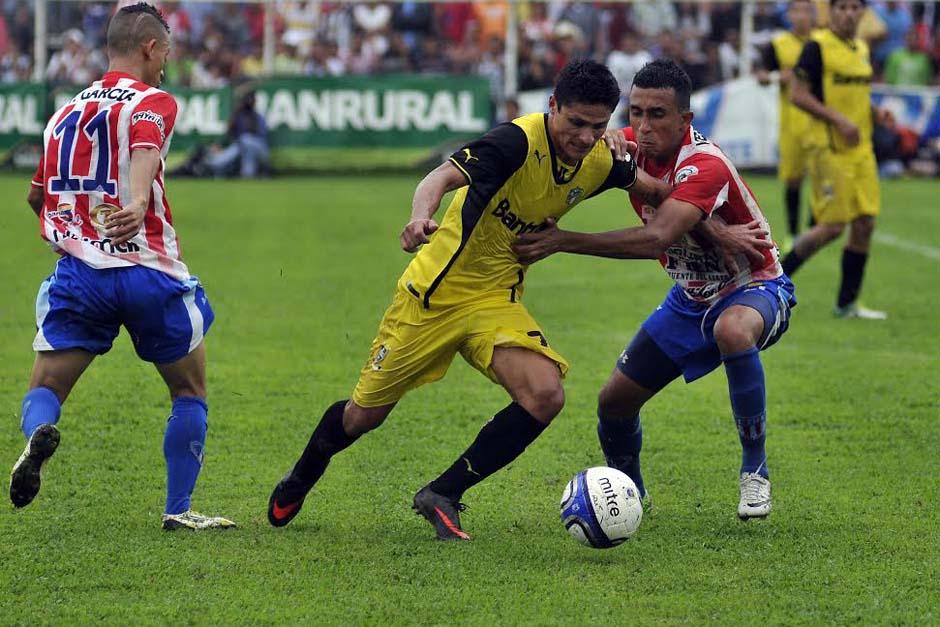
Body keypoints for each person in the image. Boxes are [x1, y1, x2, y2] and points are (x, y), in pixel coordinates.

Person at [266, 60, 681, 541]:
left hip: (494, 299)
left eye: (598, 126)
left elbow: (664, 195)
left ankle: (443, 492)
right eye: (575, 123)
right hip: (434, 295)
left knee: (545, 394)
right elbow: (438, 179)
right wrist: (421, 218)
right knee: (363, 417)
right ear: (552, 107)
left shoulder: (602, 159)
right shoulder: (517, 142)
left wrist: (702, 200)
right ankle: (301, 476)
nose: (586, 137)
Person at [514, 59, 796, 520]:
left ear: (686, 120)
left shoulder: (705, 165)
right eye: (636, 112)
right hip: (690, 298)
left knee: (732, 330)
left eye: (657, 115)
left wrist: (561, 240)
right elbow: (574, 153)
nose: (643, 127)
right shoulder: (623, 145)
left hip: (754, 286)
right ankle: (630, 500)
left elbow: (656, 238)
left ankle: (755, 472)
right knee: (614, 402)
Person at [10, 3, 234, 531]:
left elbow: (35, 195)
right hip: (147, 270)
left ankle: (35, 438)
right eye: (165, 55)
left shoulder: (64, 112)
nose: (165, 66)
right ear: (151, 48)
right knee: (188, 391)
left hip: (80, 274)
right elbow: (145, 144)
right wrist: (135, 204)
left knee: (45, 387)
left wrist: (65, 230)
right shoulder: (153, 99)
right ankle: (178, 510)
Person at [781, 0, 888, 319]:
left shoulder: (861, 48)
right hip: (829, 149)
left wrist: (874, 113)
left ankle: (846, 303)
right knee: (831, 227)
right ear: (832, 12)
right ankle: (770, 282)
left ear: (863, 13)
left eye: (855, 8)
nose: (848, 13)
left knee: (866, 223)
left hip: (862, 149)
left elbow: (858, 97)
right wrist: (839, 120)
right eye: (841, 7)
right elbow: (798, 95)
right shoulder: (817, 47)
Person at [757, 0, 817, 251]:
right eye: (796, 10)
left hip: (818, 121)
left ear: (813, 14)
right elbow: (761, 76)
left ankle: (815, 231)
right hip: (791, 122)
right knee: (793, 179)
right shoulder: (779, 44)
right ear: (789, 14)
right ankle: (794, 232)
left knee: (820, 177)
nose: (801, 16)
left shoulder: (821, 43)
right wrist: (775, 76)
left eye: (806, 10)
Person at [205, 89, 270, 178]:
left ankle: (214, 164)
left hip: (259, 149)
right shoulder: (237, 117)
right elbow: (228, 135)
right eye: (248, 100)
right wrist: (219, 144)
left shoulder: (258, 117)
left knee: (245, 140)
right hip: (241, 147)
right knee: (242, 145)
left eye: (252, 100)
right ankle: (215, 164)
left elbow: (262, 139)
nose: (251, 102)